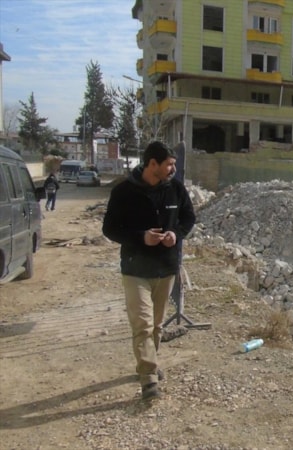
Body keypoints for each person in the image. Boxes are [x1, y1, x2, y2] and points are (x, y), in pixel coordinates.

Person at [102, 141, 196, 401]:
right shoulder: (124, 192)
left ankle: (148, 361)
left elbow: (188, 218)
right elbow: (109, 228)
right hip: (135, 269)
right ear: (152, 164)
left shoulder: (176, 189)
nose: (173, 168)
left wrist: (175, 235)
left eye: (174, 164)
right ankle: (149, 377)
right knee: (142, 324)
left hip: (165, 269)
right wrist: (140, 237)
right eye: (169, 164)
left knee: (155, 325)